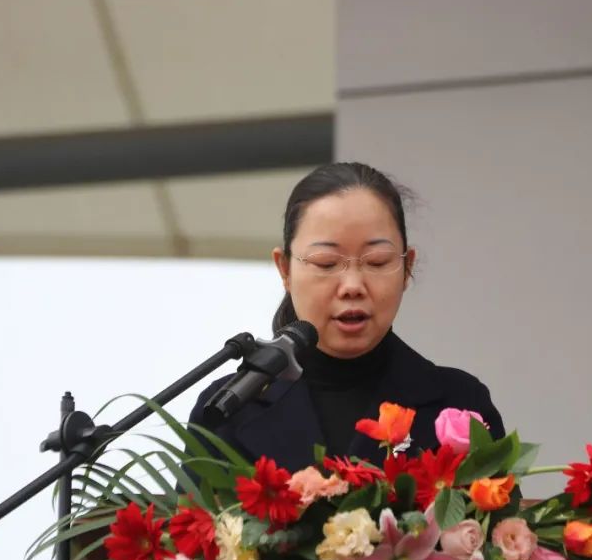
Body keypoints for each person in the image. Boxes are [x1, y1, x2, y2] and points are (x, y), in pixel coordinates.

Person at [188, 161, 504, 470]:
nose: (352, 286)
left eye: (377, 261)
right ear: (285, 269)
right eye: (326, 263)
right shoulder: (227, 408)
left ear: (407, 267)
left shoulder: (461, 406)